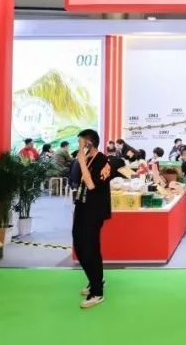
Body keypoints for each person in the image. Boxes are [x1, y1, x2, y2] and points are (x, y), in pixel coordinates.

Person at [72, 128, 111, 309]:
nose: (79, 145)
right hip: (82, 206)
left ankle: (97, 291)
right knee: (80, 244)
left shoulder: (102, 160)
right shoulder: (85, 158)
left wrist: (81, 161)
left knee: (89, 248)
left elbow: (91, 185)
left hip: (94, 210)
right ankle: (95, 280)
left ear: (89, 143)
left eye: (81, 142)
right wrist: (81, 159)